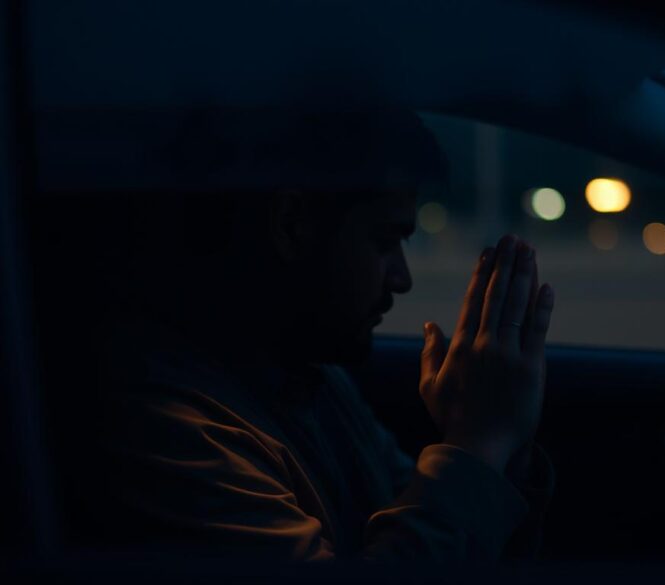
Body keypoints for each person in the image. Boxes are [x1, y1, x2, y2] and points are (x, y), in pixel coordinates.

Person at [38, 106, 556, 561]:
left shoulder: (308, 376)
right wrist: (479, 442)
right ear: (291, 224)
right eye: (383, 241)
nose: (402, 278)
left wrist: (499, 445)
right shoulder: (165, 427)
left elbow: (438, 530)